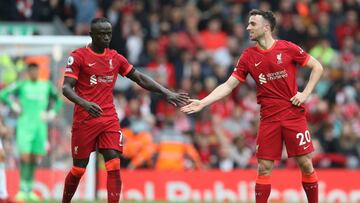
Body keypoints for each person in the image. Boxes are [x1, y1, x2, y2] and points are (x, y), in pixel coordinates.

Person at [181, 9, 323, 203]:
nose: (248, 27)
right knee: (264, 168)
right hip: (268, 118)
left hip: (293, 115)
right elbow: (229, 85)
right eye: (248, 24)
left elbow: (317, 66)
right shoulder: (248, 56)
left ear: (266, 27)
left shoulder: (287, 48)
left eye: (253, 24)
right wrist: (203, 102)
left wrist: (304, 94)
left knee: (306, 164)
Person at [61, 17, 189, 203]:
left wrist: (167, 93)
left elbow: (139, 78)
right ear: (91, 35)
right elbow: (66, 88)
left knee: (113, 163)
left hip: (109, 118)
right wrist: (85, 103)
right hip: (85, 118)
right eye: (102, 34)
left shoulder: (115, 58)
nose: (106, 37)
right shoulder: (79, 56)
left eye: (109, 34)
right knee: (79, 169)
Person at [0, 63, 63, 201]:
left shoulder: (45, 86)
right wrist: (14, 105)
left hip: (40, 127)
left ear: (38, 71)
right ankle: (23, 189)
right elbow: (3, 94)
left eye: (36, 70)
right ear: (28, 72)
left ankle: (30, 189)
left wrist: (51, 113)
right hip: (24, 126)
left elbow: (58, 99)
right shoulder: (22, 85)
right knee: (25, 156)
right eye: (31, 70)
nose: (34, 73)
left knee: (34, 158)